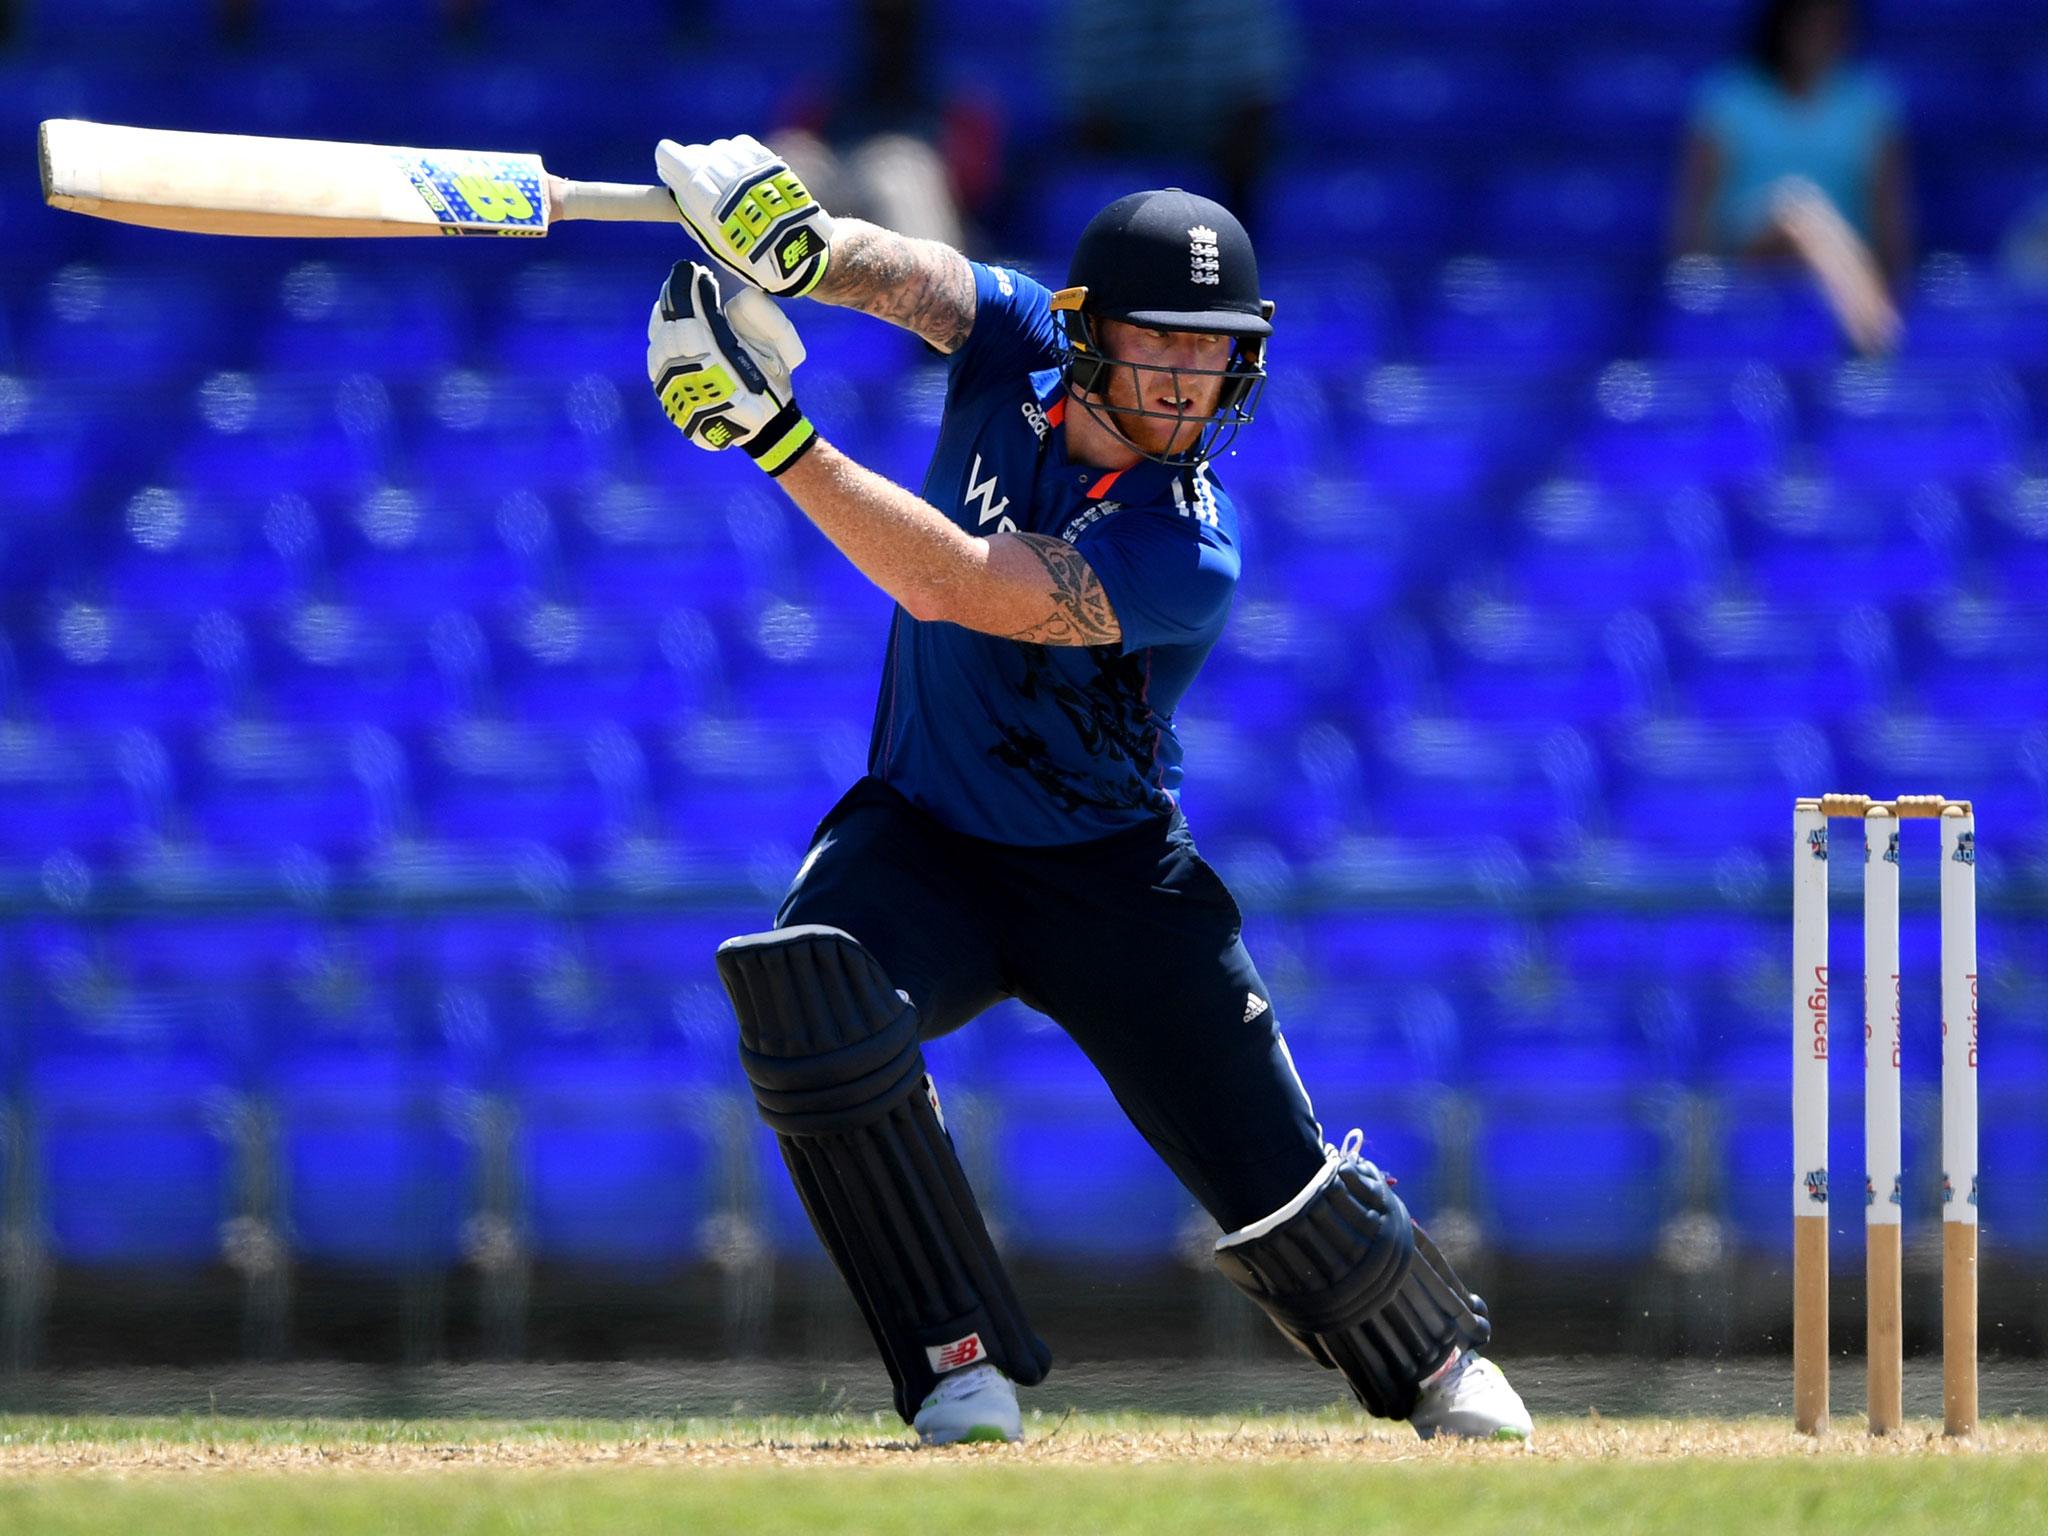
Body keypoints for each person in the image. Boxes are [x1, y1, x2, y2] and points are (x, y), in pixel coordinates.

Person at [643, 134, 1534, 1447]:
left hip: (1109, 875)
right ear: (1088, 327)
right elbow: (916, 282)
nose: (1190, 373)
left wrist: (775, 437)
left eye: (1213, 346)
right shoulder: (1018, 341)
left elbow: (956, 586)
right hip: (929, 836)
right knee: (809, 991)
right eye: (1162, 339)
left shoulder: (1191, 542)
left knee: (1283, 1191)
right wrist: (804, 246)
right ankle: (959, 1368)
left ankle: (1430, 1357)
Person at [1672, 0, 1911, 354]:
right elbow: (1694, 224)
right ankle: (1874, 330)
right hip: (1745, 260)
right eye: (1808, 20)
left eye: (1831, 22)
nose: (1819, 32)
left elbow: (1889, 221)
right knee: (1795, 208)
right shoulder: (1727, 97)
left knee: (1804, 214)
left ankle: (1864, 318)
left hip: (1837, 269)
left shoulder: (1869, 101)